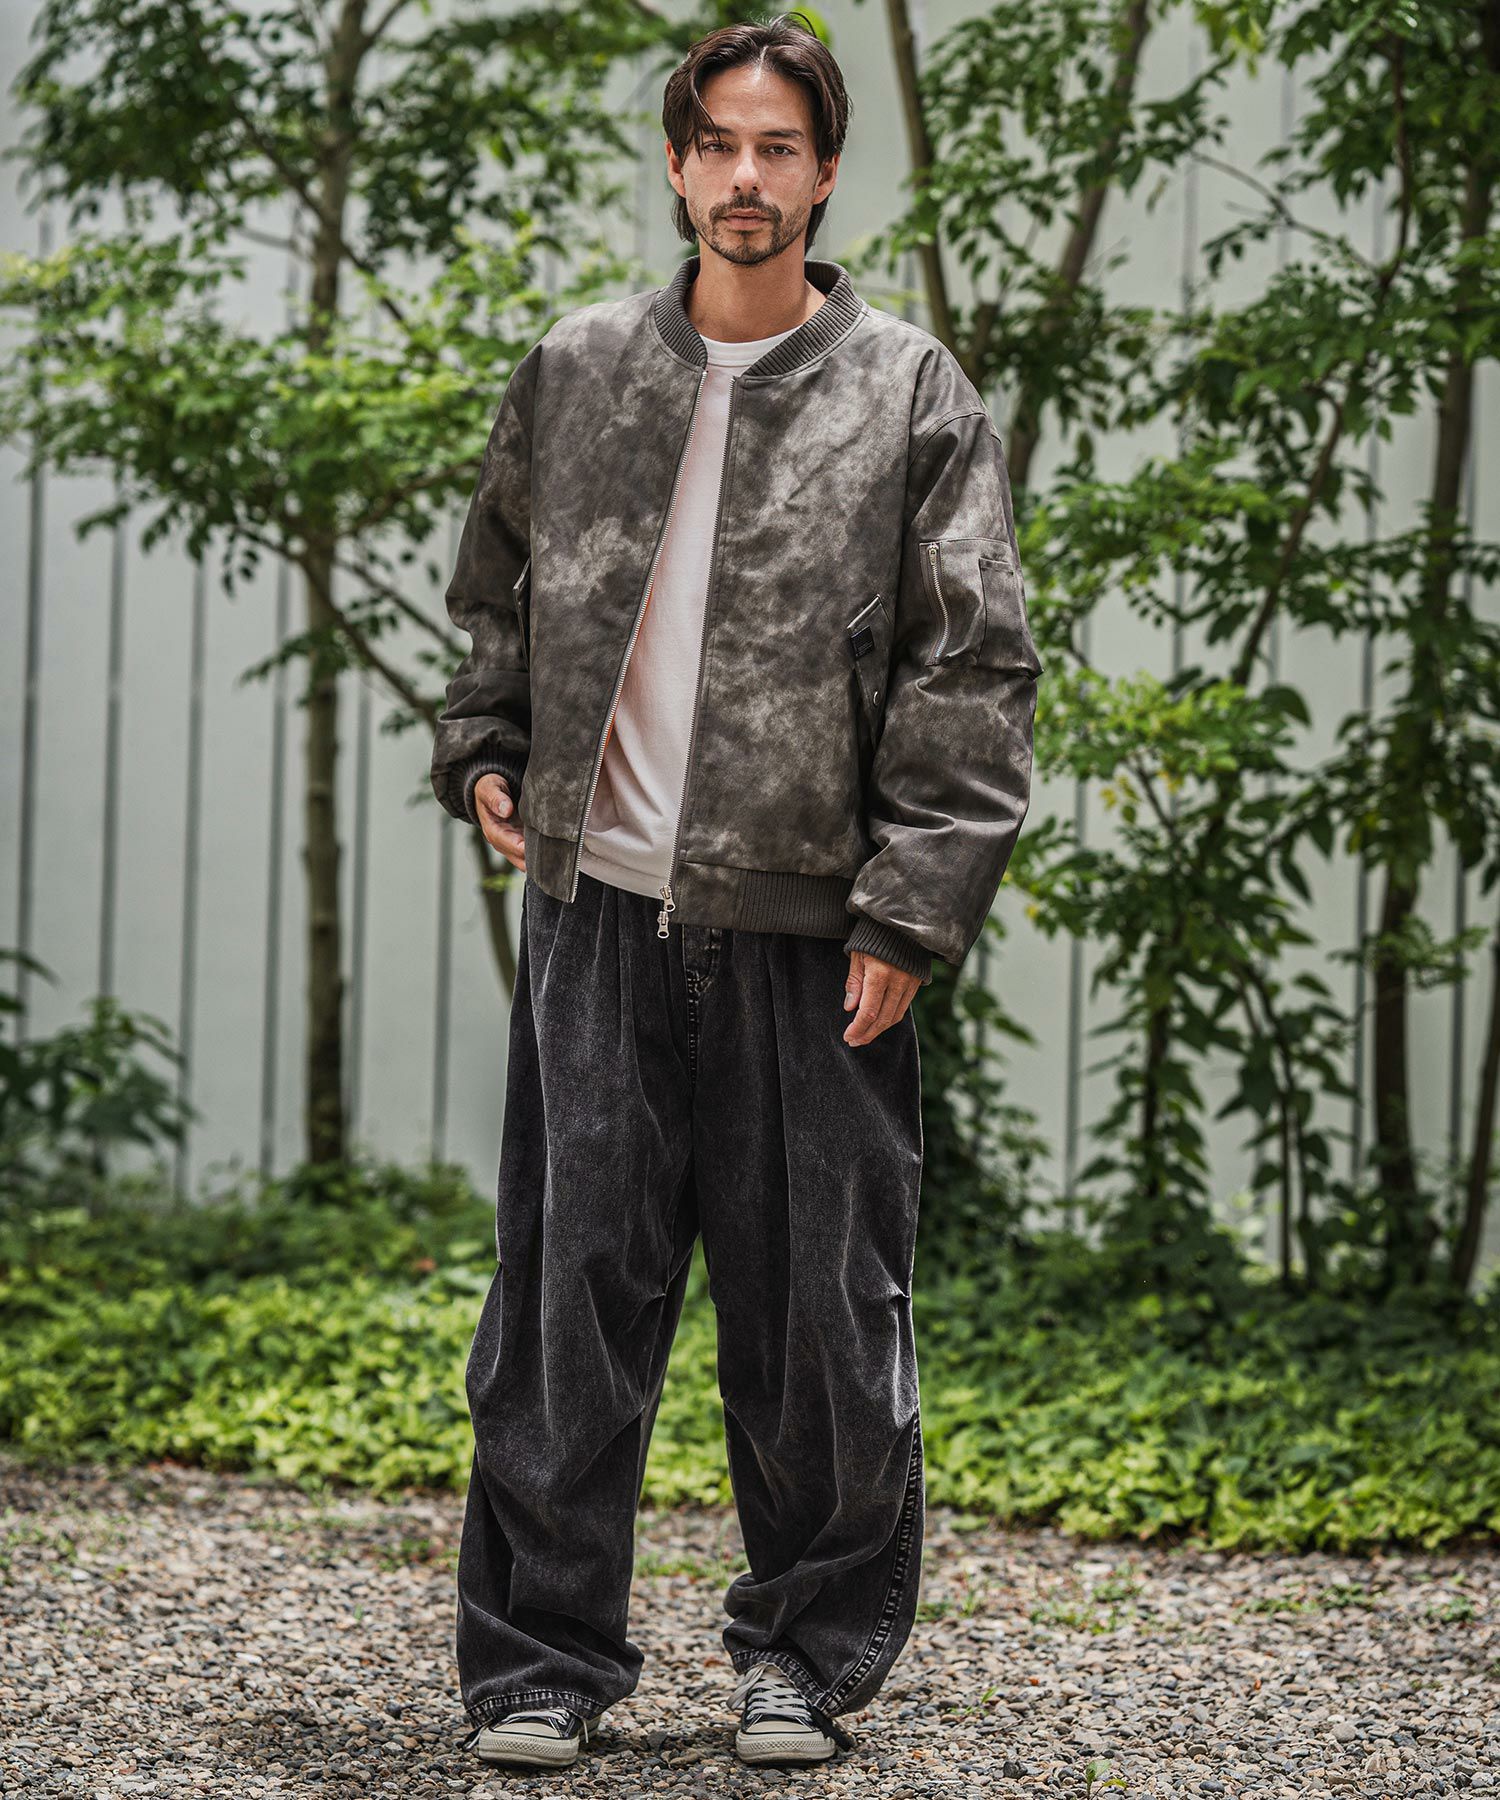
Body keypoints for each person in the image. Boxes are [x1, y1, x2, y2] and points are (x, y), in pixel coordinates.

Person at [429, 11, 1042, 1775]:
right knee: (562, 1312)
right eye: (719, 144)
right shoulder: (576, 367)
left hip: (810, 933)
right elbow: (497, 586)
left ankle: (807, 1659)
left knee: (820, 1327)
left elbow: (970, 665)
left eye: (780, 147)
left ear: (825, 171)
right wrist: (487, 746)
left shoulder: (908, 390)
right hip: (599, 919)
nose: (747, 176)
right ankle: (539, 1664)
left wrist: (913, 903)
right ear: (678, 162)